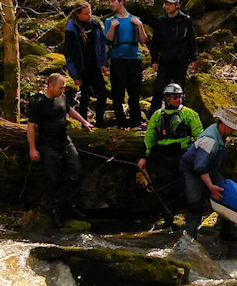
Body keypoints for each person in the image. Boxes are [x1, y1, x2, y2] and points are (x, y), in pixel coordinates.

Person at [26, 73, 93, 228]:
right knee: (52, 180)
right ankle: (55, 213)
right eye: (60, 87)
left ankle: (70, 207)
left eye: (63, 87)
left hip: (65, 143)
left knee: (76, 171)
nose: (63, 90)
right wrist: (32, 149)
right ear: (50, 86)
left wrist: (84, 122)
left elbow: (69, 110)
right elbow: (30, 127)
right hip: (48, 146)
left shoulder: (61, 97)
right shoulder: (39, 103)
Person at [138, 83, 203, 229]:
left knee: (185, 188)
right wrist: (144, 156)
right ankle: (168, 219)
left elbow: (199, 135)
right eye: (174, 97)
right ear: (167, 98)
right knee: (165, 189)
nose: (178, 99)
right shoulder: (157, 115)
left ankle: (190, 220)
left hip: (183, 155)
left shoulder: (189, 114)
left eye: (179, 96)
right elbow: (149, 137)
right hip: (164, 157)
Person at [180, 106, 237, 239]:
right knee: (195, 202)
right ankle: (189, 236)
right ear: (224, 124)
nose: (233, 131)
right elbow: (199, 166)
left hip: (209, 169)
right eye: (232, 128)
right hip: (192, 170)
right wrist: (210, 187)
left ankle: (227, 232)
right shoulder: (209, 140)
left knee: (226, 193)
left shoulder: (220, 134)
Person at [148, 0, 197, 116]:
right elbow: (155, 42)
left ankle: (178, 118)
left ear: (177, 5)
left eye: (170, 4)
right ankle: (153, 119)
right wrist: (154, 59)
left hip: (181, 61)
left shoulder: (185, 20)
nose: (167, 6)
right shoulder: (161, 21)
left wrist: (193, 57)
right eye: (166, 4)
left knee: (179, 91)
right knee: (159, 91)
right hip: (165, 61)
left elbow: (191, 39)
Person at [64, 1, 109, 127]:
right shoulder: (71, 29)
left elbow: (101, 45)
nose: (90, 15)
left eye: (90, 12)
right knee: (85, 96)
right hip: (82, 68)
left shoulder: (94, 24)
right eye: (86, 13)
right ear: (78, 14)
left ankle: (99, 121)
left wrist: (103, 63)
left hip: (95, 65)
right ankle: (84, 123)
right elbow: (69, 55)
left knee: (102, 93)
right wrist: (75, 75)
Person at [105, 0, 148, 129]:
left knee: (134, 92)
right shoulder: (109, 21)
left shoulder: (135, 20)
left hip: (134, 59)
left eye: (113, 1)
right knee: (118, 93)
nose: (110, 4)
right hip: (118, 60)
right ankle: (121, 123)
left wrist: (140, 25)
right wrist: (112, 27)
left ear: (121, 2)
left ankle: (136, 122)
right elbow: (107, 41)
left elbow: (143, 40)